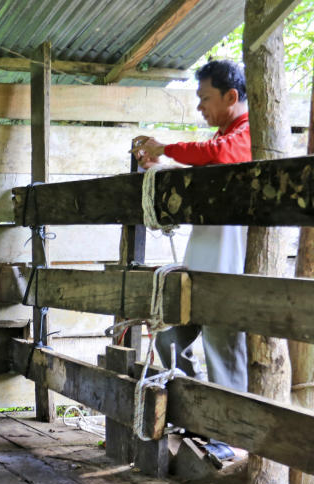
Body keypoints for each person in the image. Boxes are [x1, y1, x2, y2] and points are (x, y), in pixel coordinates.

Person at [131, 59, 251, 461]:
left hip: (229, 263)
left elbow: (219, 154)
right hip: (201, 261)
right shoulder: (223, 139)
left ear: (231, 97)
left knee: (223, 346)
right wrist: (161, 166)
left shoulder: (248, 134)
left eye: (205, 98)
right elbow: (209, 158)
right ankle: (199, 414)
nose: (200, 107)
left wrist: (165, 148)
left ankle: (232, 436)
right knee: (168, 333)